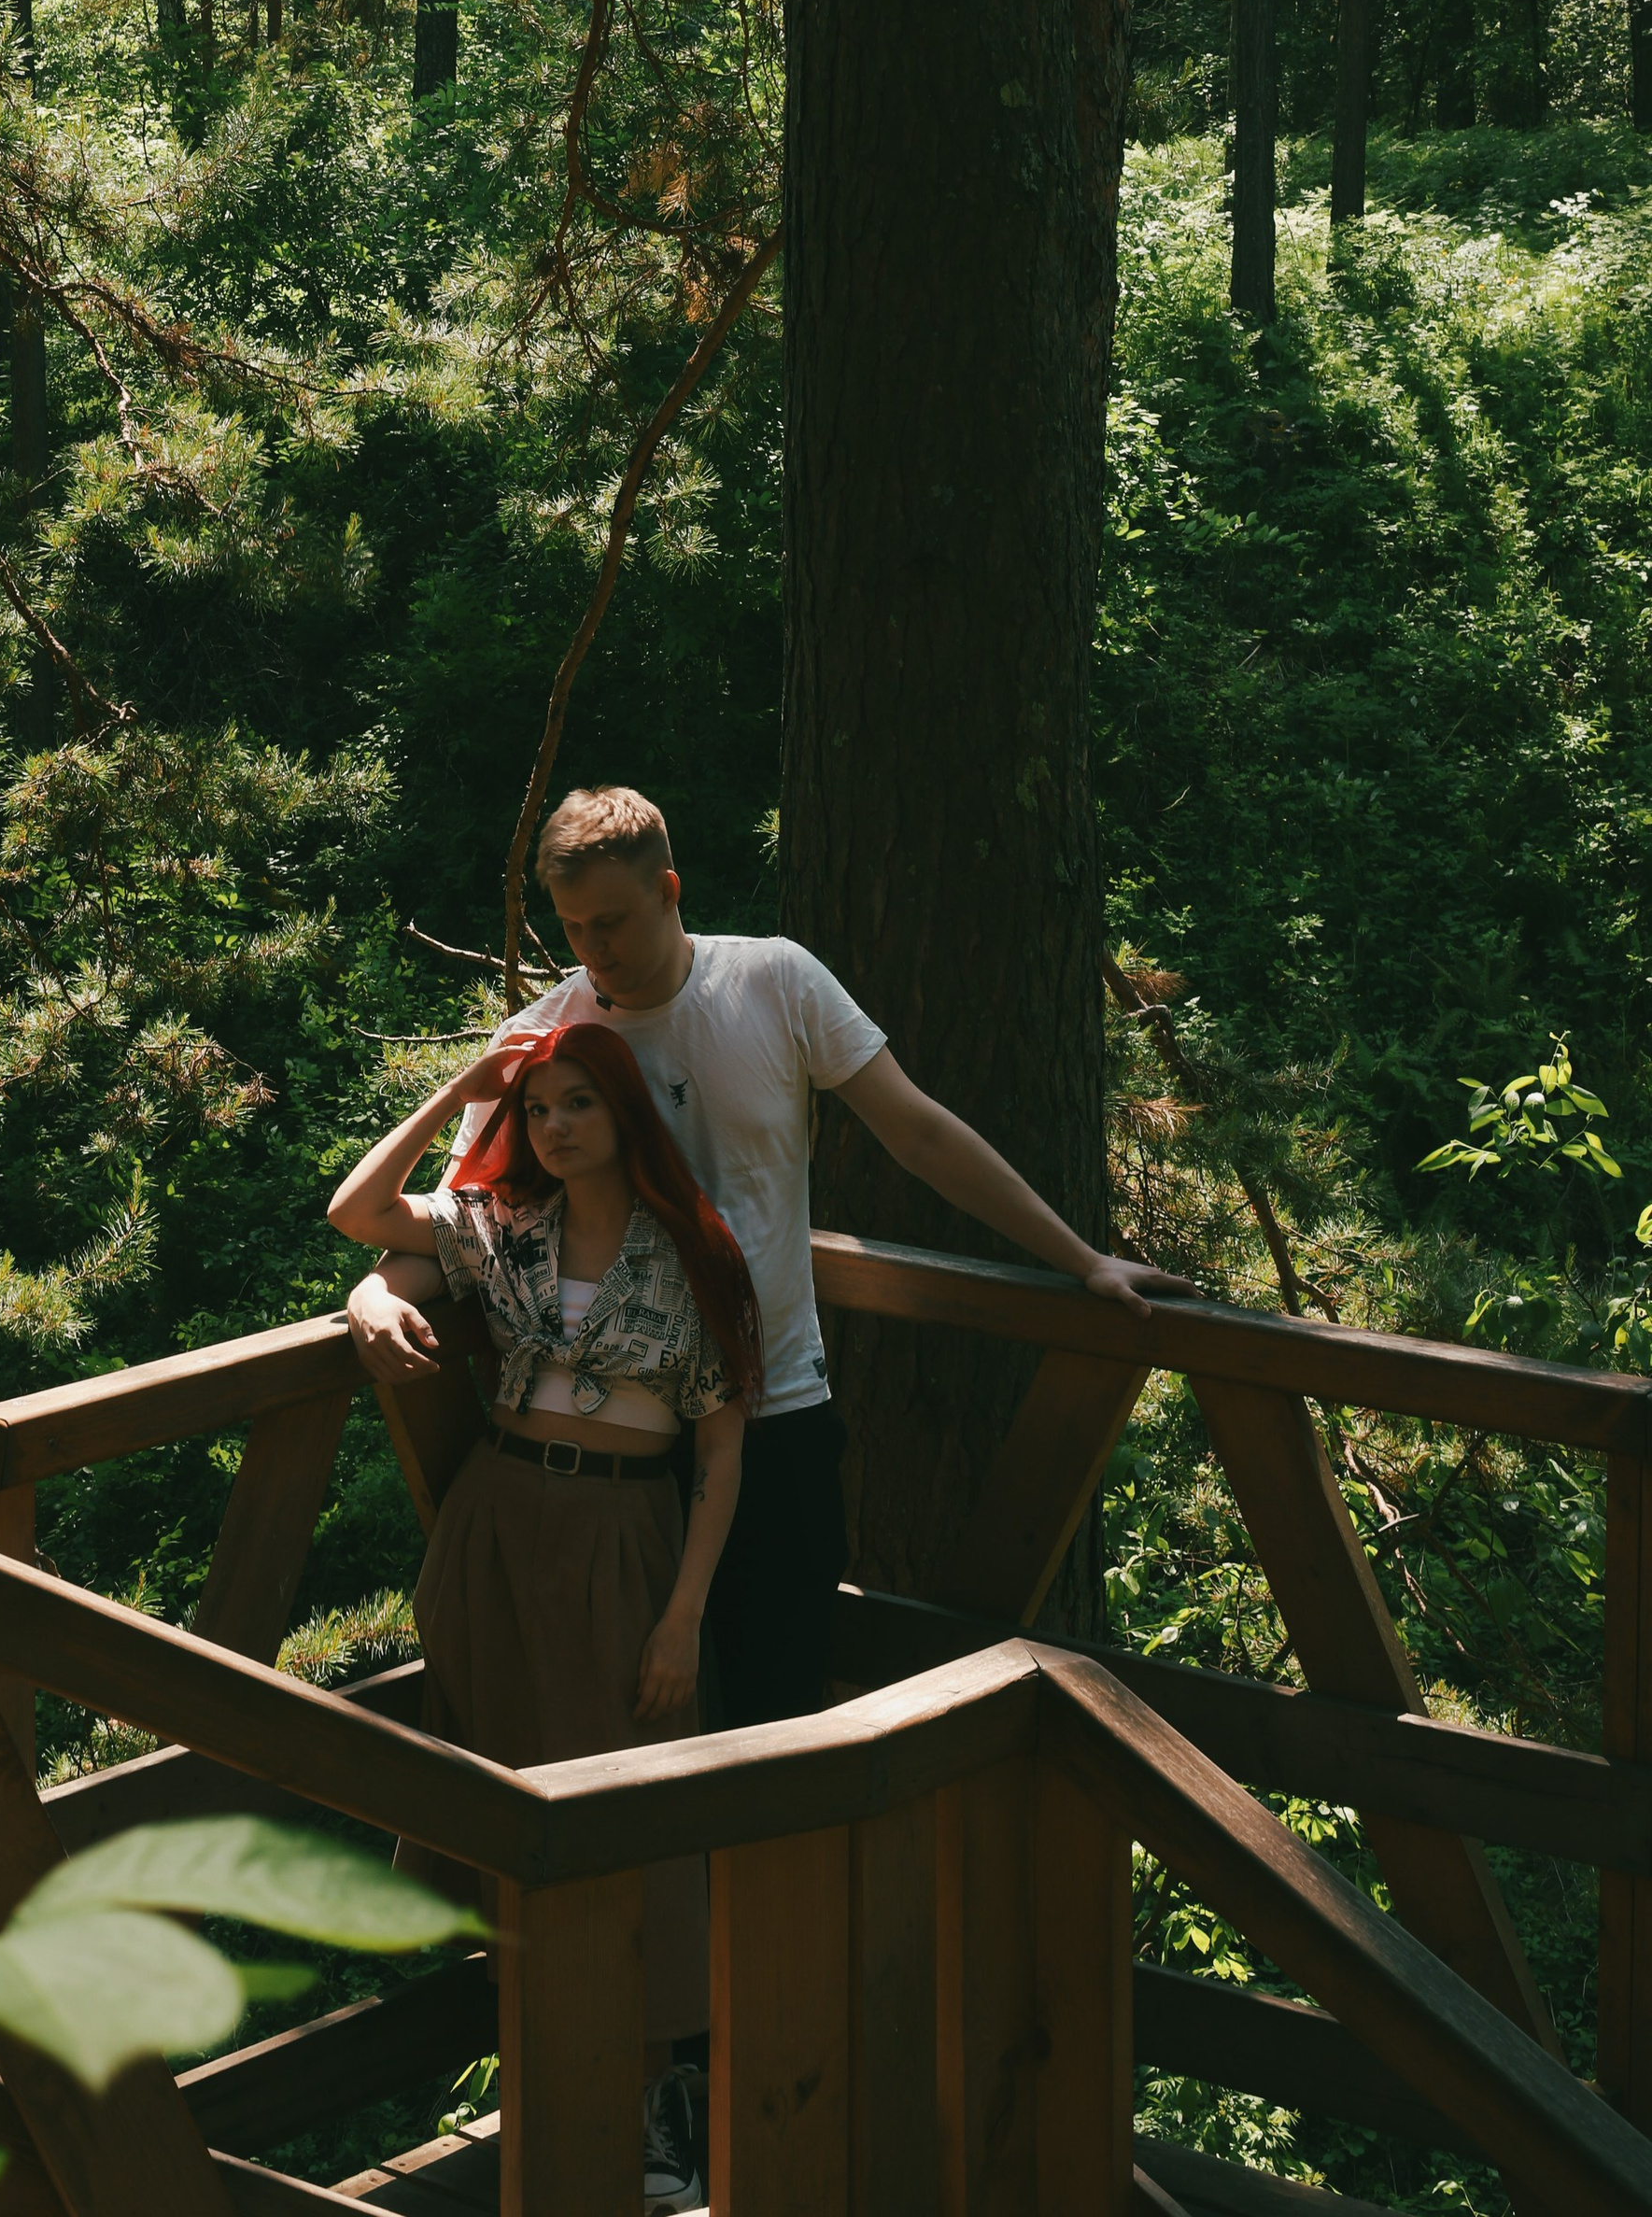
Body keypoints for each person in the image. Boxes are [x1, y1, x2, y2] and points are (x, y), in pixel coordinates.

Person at [348, 783, 1192, 1730]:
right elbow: (470, 1222)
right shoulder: (542, 1047)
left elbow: (916, 1133)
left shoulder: (773, 983)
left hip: (771, 1413)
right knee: (611, 1733)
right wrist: (373, 1293)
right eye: (574, 927)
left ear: (670, 889)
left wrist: (1082, 1260)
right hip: (610, 1457)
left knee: (772, 1713)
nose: (595, 951)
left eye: (615, 921)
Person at [328, 1011, 759, 2210]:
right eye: (537, 1108)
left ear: (624, 1115)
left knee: (638, 1807)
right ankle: (559, 2091)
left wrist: (681, 1619)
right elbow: (360, 1214)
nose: (556, 1126)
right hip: (499, 1531)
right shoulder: (503, 1228)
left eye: (578, 1102)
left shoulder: (696, 1254)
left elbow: (721, 1460)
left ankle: (656, 2103)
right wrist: (458, 1090)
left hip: (628, 1539)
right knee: (508, 1793)